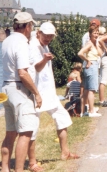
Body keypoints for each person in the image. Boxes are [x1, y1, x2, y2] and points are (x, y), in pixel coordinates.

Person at [27, 22, 79, 172]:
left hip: (48, 91)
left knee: (62, 117)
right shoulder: (32, 46)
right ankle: (32, 163)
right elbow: (36, 68)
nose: (48, 39)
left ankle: (65, 153)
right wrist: (45, 60)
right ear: (39, 33)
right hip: (36, 91)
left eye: (51, 37)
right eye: (46, 36)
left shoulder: (44, 45)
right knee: (33, 126)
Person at [0, 12, 42, 172]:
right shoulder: (23, 43)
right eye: (31, 26)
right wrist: (36, 93)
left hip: (6, 87)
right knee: (25, 133)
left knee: (10, 132)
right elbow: (23, 72)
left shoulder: (7, 41)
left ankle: (5, 168)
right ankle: (18, 169)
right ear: (28, 26)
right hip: (19, 89)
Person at [78, 26, 103, 117]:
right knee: (91, 90)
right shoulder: (89, 44)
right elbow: (80, 53)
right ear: (90, 34)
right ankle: (91, 111)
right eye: (94, 33)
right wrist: (87, 60)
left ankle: (83, 111)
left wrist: (97, 43)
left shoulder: (94, 44)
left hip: (93, 65)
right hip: (92, 66)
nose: (96, 35)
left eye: (97, 33)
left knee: (87, 89)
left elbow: (100, 54)